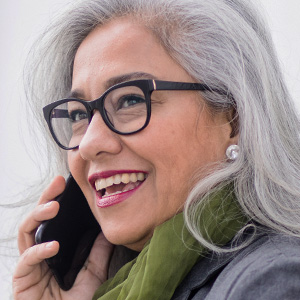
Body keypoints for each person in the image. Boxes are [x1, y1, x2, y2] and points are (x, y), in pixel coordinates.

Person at [12, 0, 300, 299]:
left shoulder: (271, 282)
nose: (89, 145)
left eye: (130, 100)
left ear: (233, 120)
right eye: (78, 115)